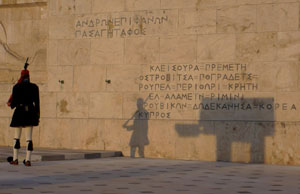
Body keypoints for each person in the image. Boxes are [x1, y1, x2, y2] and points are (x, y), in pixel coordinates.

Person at [7, 62, 40, 167]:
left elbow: (14, 103)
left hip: (19, 112)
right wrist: (37, 115)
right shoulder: (34, 87)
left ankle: (15, 159)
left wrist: (11, 104)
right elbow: (37, 103)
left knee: (17, 137)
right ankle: (28, 160)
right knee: (29, 138)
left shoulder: (17, 87)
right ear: (29, 76)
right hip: (30, 112)